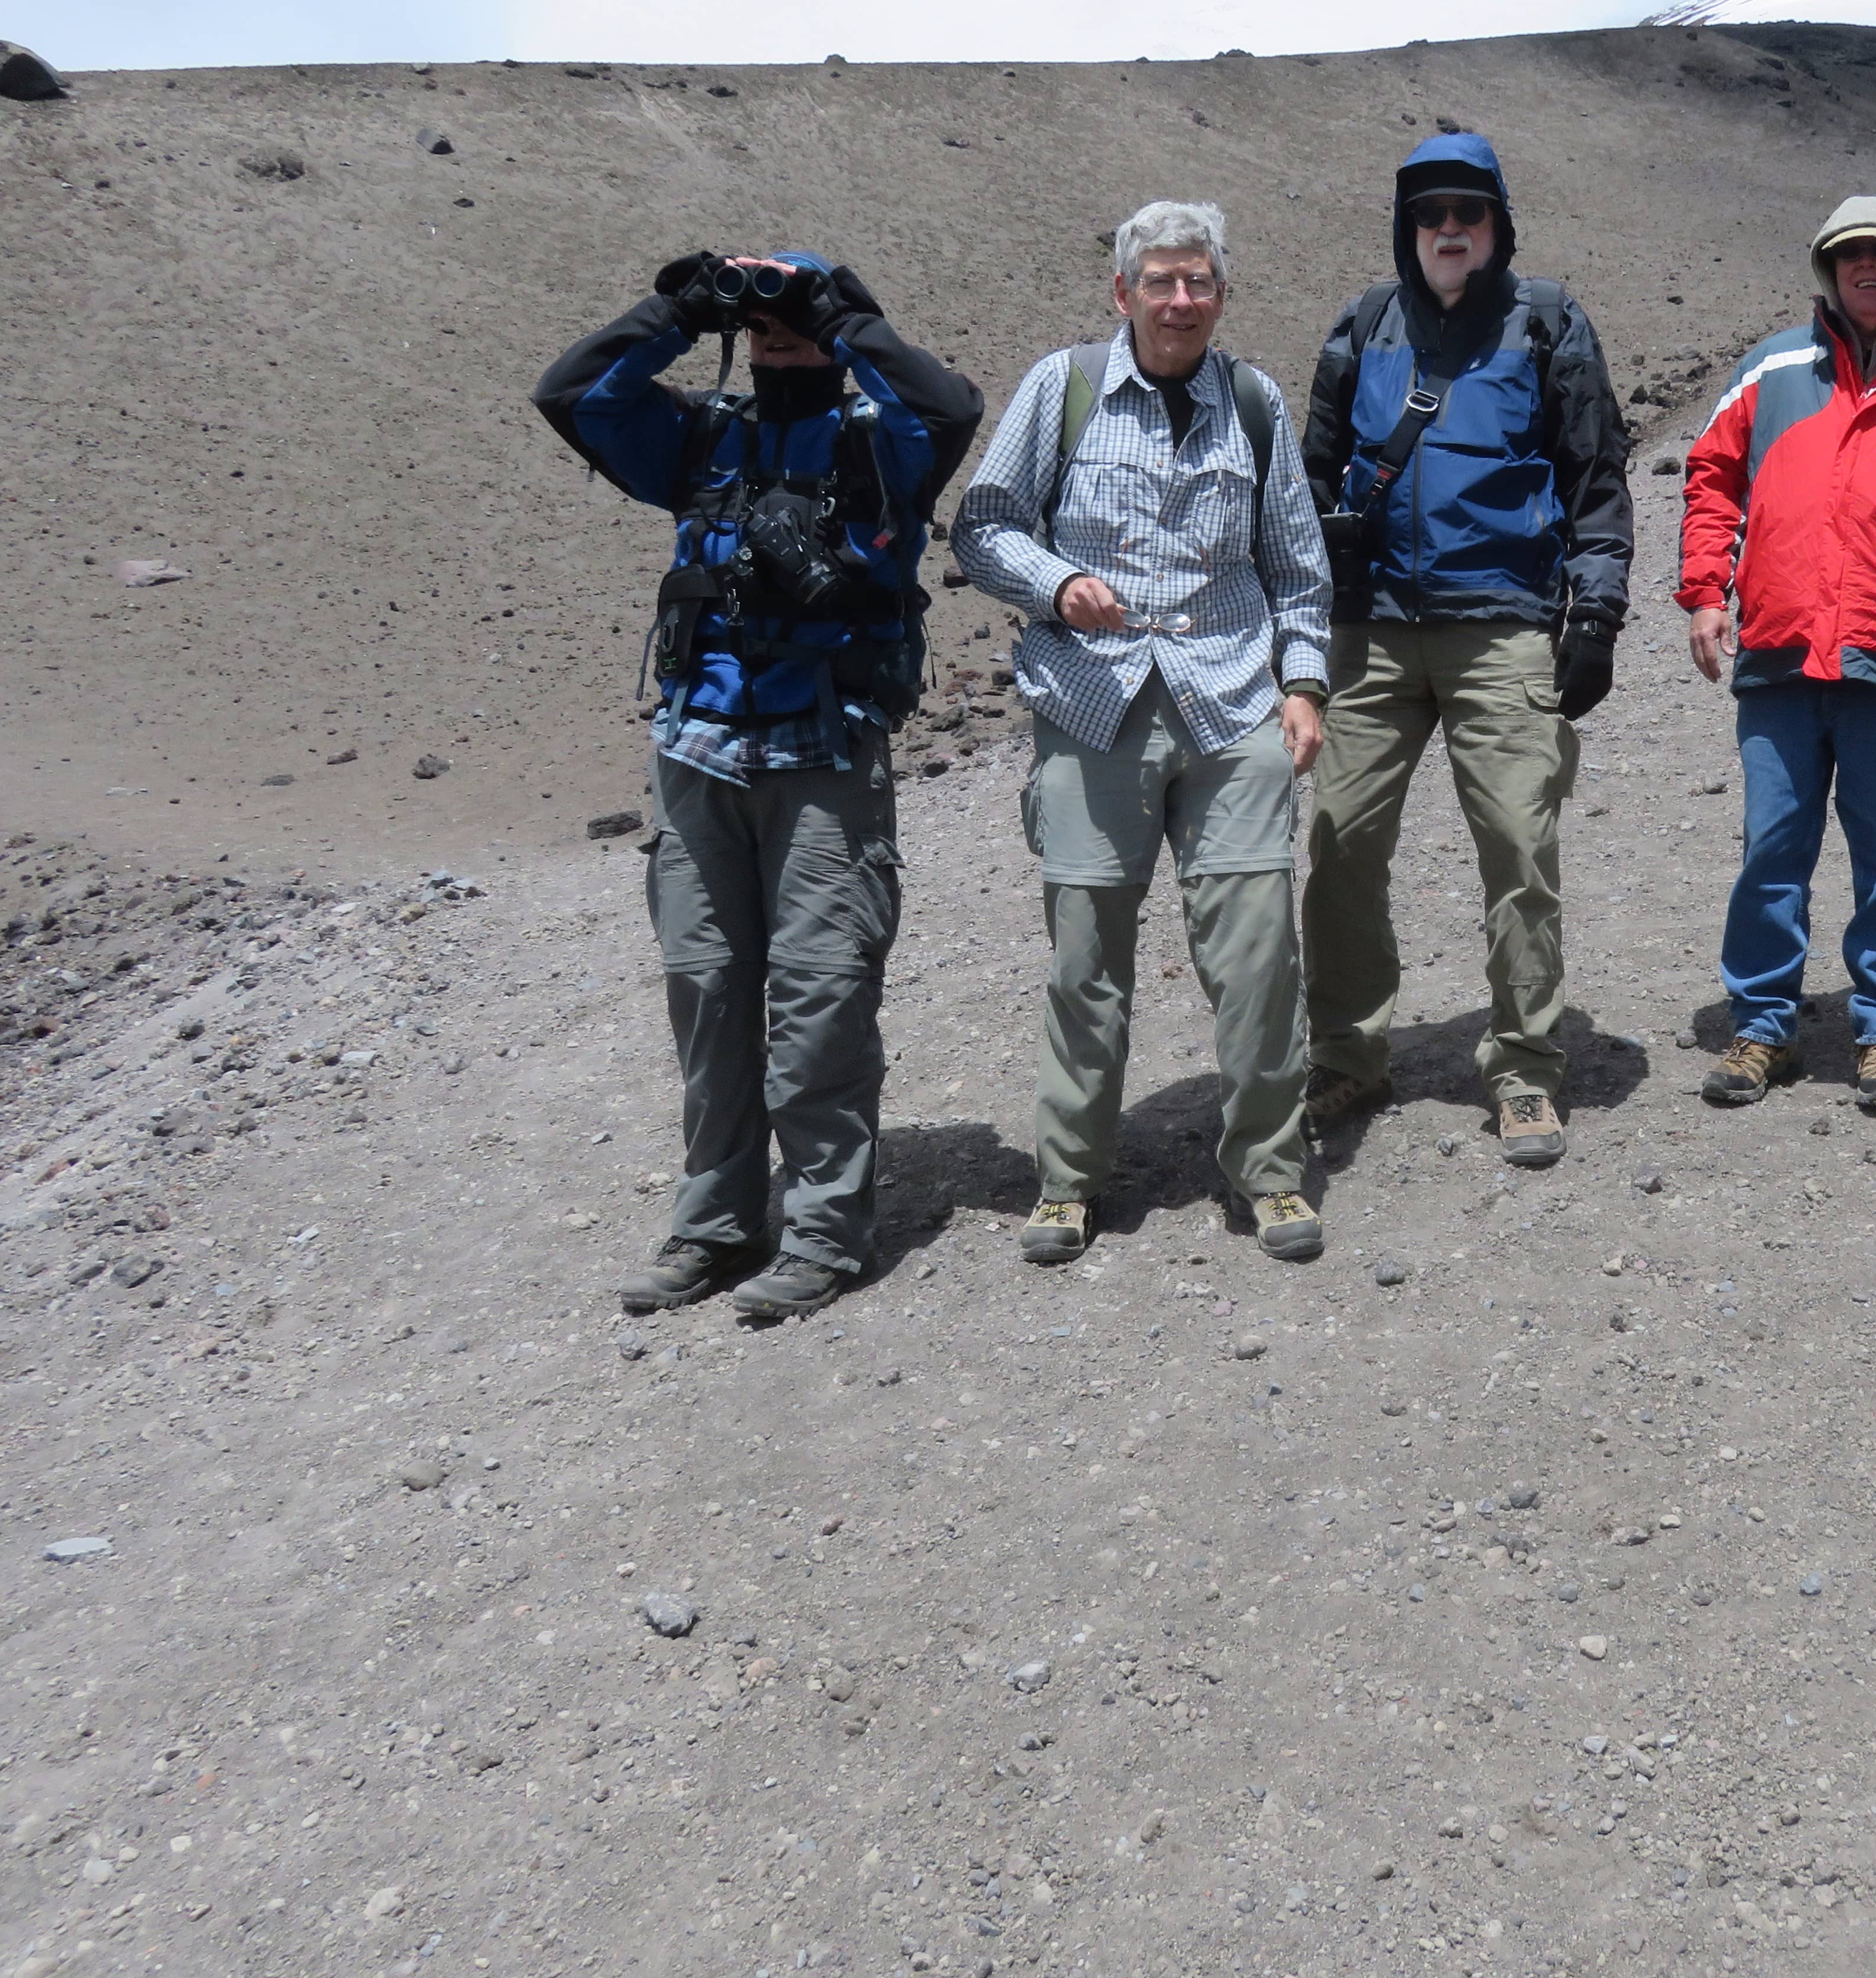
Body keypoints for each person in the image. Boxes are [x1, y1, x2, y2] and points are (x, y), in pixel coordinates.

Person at [534, 250, 983, 1318]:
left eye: (799, 323)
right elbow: (570, 395)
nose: (778, 337)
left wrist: (840, 314)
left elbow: (951, 405)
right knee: (710, 995)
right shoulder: (703, 439)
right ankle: (716, 1226)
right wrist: (678, 311)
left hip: (823, 757)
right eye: (764, 324)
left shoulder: (885, 448)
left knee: (821, 1001)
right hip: (697, 756)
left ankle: (827, 1235)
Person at [950, 201, 1333, 1265]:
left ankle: (1270, 1171)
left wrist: (1304, 686)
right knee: (1085, 961)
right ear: (1122, 294)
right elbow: (983, 525)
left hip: (1230, 703)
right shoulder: (1061, 388)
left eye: (1199, 281)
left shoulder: (1255, 404)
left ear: (1222, 293)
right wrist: (1057, 581)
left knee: (1258, 951)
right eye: (1160, 282)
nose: (1180, 300)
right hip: (1091, 706)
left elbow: (1297, 565)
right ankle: (1069, 1179)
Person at [1296, 132, 1633, 1167]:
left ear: (1498, 225)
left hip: (1503, 626)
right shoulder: (1364, 325)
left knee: (1519, 851)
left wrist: (1597, 616)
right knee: (1342, 847)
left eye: (1468, 215)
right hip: (1373, 633)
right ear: (1409, 228)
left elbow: (1596, 476)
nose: (1449, 232)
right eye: (1431, 216)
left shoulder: (1547, 323)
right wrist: (1306, 616)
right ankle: (1349, 1055)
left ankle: (1527, 1066)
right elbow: (1309, 478)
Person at [1677, 196, 1876, 1114]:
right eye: (1851, 252)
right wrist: (1707, 588)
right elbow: (1711, 473)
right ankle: (1761, 1026)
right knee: (1772, 849)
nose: (1867, 266)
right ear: (1829, 265)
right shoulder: (1774, 366)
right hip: (1781, 657)